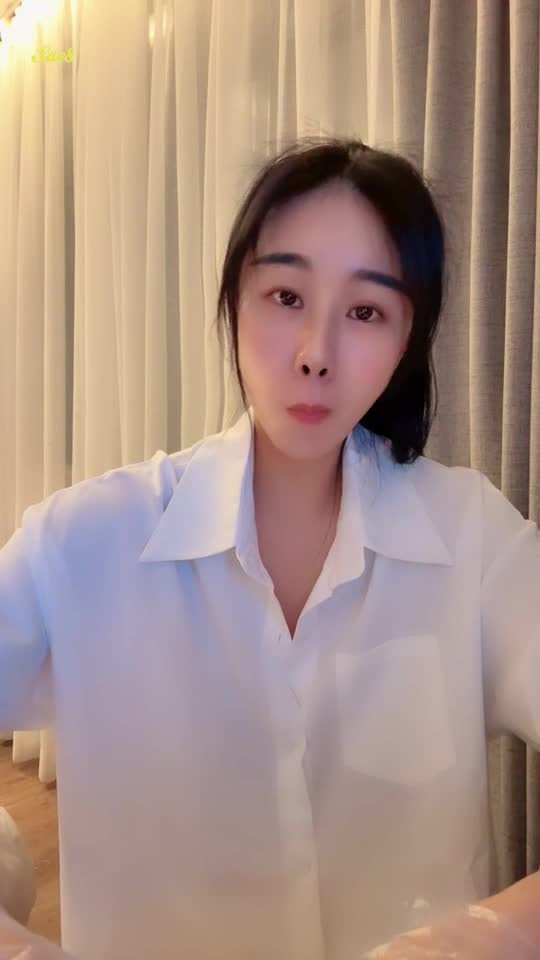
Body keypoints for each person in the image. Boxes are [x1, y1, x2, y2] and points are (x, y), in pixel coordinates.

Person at [1, 135, 540, 960]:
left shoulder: (472, 538)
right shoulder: (83, 544)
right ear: (235, 302)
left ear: (407, 340)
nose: (316, 354)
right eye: (286, 296)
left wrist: (492, 933)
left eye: (366, 311)